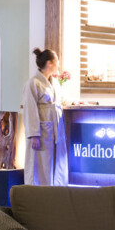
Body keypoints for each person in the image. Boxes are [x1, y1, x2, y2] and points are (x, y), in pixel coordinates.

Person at [22, 48, 68, 186]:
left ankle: (55, 191)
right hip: (41, 131)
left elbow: (57, 101)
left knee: (54, 163)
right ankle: (38, 195)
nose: (58, 65)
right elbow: (30, 108)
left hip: (54, 129)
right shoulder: (33, 83)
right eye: (56, 62)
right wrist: (34, 134)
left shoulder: (52, 82)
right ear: (49, 63)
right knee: (40, 165)